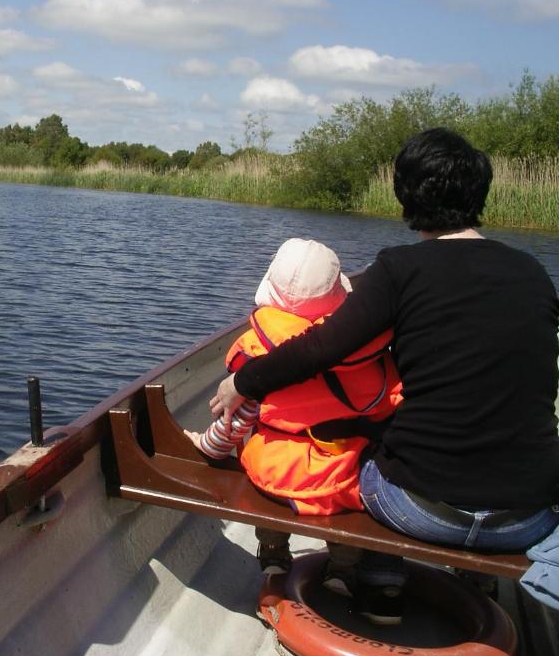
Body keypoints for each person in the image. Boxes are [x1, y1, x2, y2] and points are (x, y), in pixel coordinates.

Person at [209, 128, 559, 625]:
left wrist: (241, 383)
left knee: (364, 451)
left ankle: (382, 584)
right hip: (527, 519)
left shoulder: (400, 269)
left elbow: (319, 347)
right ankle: (478, 581)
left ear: (404, 194)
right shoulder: (532, 272)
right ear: (480, 193)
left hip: (420, 508)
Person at [187, 238, 401, 595]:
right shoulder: (364, 355)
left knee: (259, 458)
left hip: (276, 475)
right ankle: (344, 570)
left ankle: (273, 551)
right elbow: (386, 411)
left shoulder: (257, 356)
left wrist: (208, 447)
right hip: (340, 479)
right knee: (353, 487)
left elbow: (233, 425)